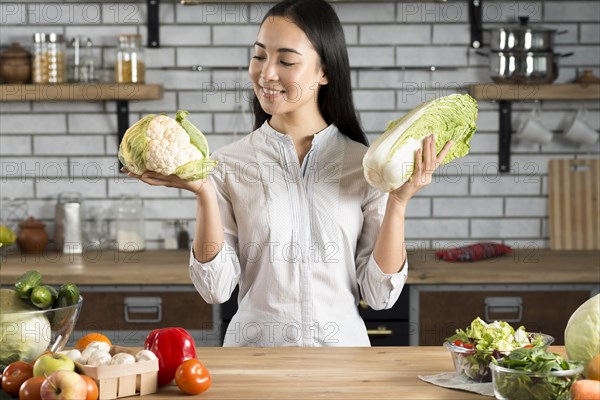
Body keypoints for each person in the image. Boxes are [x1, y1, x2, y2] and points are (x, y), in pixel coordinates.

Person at [127, 0, 452, 346]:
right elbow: (215, 288)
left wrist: (398, 202)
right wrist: (204, 192)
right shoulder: (228, 164)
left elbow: (379, 295)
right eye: (259, 56)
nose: (267, 73)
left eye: (286, 61)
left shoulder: (365, 166)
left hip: (342, 366)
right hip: (255, 365)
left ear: (324, 71)